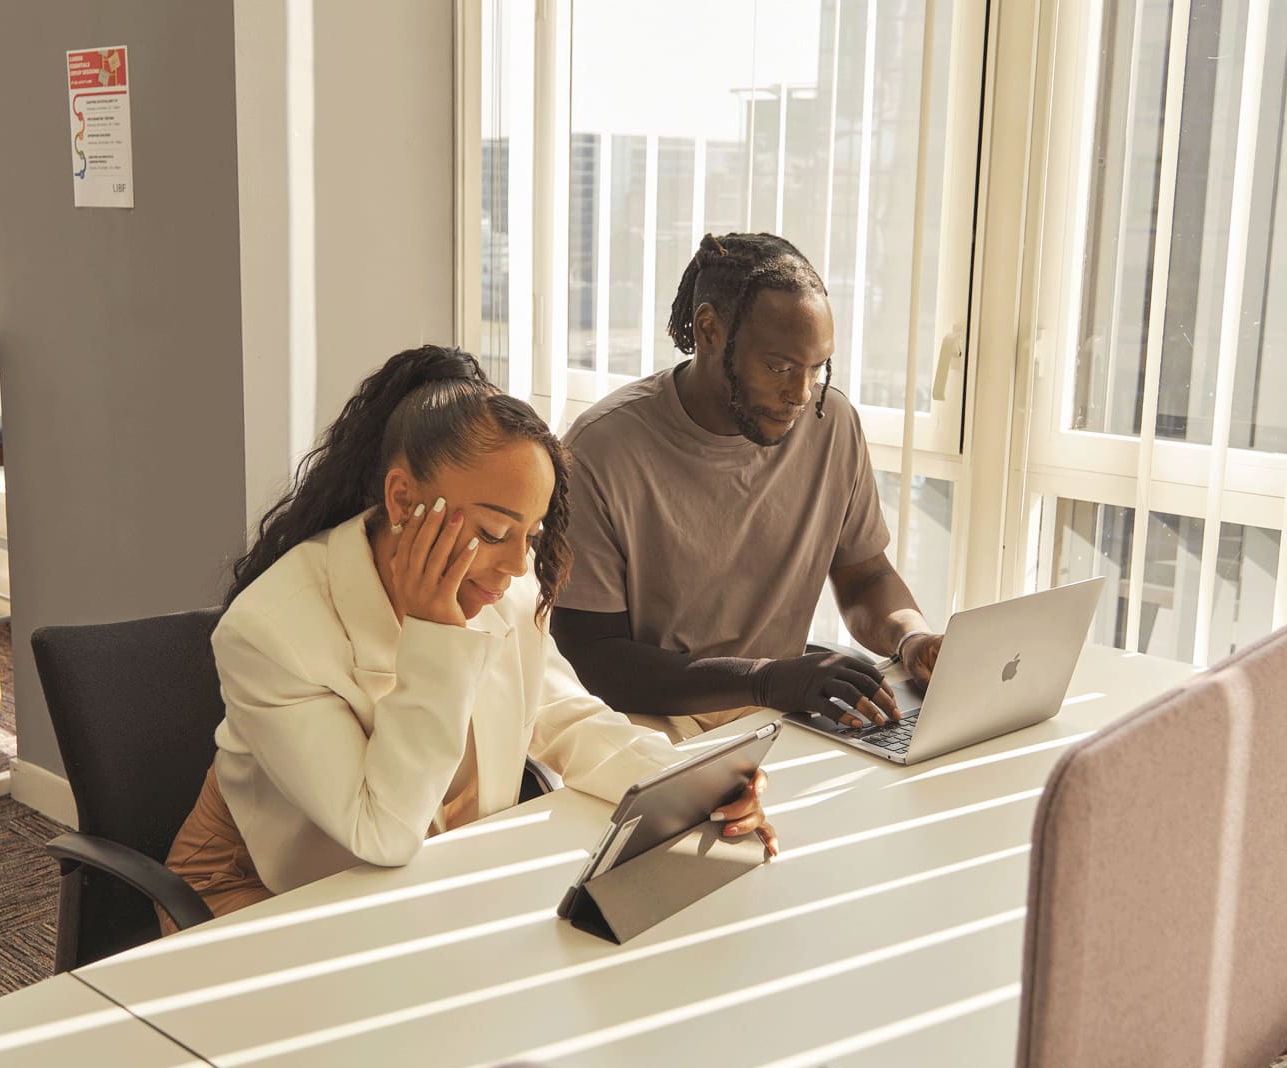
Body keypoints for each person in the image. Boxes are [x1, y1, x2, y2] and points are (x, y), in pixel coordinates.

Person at [160, 346, 776, 927]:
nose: (515, 567)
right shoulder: (271, 631)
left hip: (415, 881)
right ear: (402, 498)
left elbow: (564, 718)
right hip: (258, 883)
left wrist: (696, 790)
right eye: (492, 531)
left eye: (530, 536)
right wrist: (435, 637)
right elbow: (383, 831)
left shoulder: (502, 580)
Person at [553, 232, 943, 742]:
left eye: (816, 368)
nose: (800, 394)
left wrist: (910, 639)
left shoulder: (832, 423)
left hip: (781, 713)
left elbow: (864, 577)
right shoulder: (600, 448)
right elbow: (595, 660)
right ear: (709, 329)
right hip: (651, 727)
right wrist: (766, 680)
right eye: (779, 367)